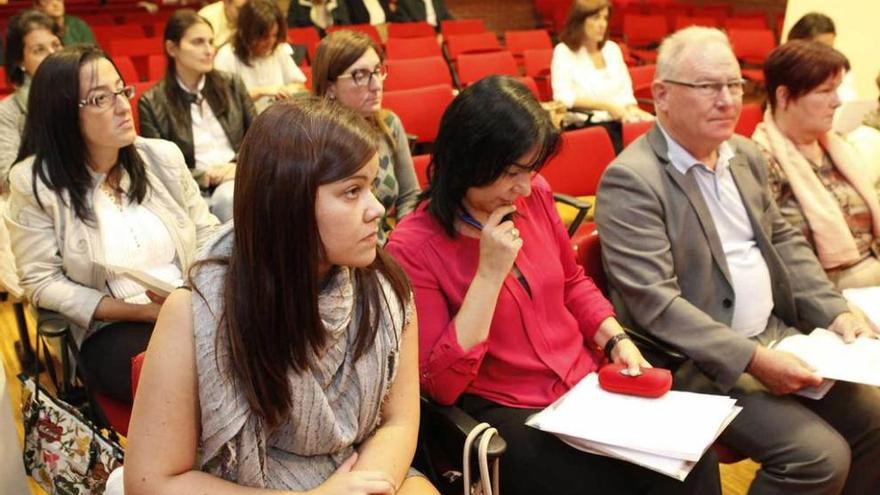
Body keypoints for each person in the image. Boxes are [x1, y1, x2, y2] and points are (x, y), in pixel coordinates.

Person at [386, 75, 721, 495]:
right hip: (510, 408)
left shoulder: (533, 195)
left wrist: (616, 340)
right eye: (511, 174)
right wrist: (487, 276)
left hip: (583, 388)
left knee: (692, 458)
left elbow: (572, 282)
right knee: (604, 483)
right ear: (466, 163)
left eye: (530, 171)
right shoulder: (413, 246)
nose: (525, 187)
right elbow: (440, 385)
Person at [595, 26, 880, 495]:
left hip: (777, 337)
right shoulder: (632, 179)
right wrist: (753, 358)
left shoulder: (743, 155)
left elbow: (786, 245)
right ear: (661, 95)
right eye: (709, 86)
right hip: (699, 363)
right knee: (818, 459)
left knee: (873, 420)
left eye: (733, 85)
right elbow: (655, 305)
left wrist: (835, 311)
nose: (727, 100)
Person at [125, 98, 439, 495]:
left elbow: (398, 421)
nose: (376, 209)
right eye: (351, 191)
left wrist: (364, 488)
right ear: (289, 203)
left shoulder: (386, 288)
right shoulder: (196, 312)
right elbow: (150, 481)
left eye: (371, 187)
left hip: (356, 469)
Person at [5, 45, 219, 403]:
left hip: (190, 301)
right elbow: (42, 281)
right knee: (187, 375)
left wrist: (194, 291)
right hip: (112, 324)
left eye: (121, 90)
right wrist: (144, 312)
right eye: (101, 98)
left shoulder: (160, 157)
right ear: (63, 114)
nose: (123, 106)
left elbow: (206, 231)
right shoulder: (34, 183)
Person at [751, 40, 880, 290]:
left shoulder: (836, 147)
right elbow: (772, 256)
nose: (837, 101)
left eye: (837, 89)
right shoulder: (762, 161)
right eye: (824, 91)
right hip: (825, 291)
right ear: (784, 96)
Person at [139, 9, 256, 223]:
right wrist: (204, 176)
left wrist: (238, 167)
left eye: (211, 42)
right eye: (198, 42)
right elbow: (158, 167)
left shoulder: (232, 85)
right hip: (191, 188)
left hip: (239, 176)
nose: (209, 50)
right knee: (224, 200)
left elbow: (259, 137)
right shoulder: (152, 102)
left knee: (231, 197)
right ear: (172, 48)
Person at [312, 30, 419, 244]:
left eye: (378, 71)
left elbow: (410, 195)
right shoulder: (313, 138)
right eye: (359, 75)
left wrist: (403, 242)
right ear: (330, 87)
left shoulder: (389, 125)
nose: (377, 85)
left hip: (391, 246)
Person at [551, 0, 652, 151]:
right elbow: (563, 97)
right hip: (587, 127)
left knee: (656, 141)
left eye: (605, 18)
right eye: (596, 18)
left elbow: (625, 93)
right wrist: (607, 106)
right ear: (579, 21)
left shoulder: (612, 49)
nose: (602, 24)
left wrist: (640, 114)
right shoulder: (564, 51)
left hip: (620, 122)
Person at [1, 9, 61, 183]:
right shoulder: (7, 112)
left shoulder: (83, 96)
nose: (53, 54)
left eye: (56, 45)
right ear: (20, 61)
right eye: (39, 50)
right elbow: (7, 177)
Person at [214, 0, 307, 113]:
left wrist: (287, 91)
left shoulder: (278, 50)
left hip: (277, 118)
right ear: (247, 32)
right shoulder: (227, 56)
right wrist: (261, 92)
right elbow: (224, 100)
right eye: (264, 37)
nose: (271, 42)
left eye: (275, 35)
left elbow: (299, 84)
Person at [787, 12, 858, 103]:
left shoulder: (841, 67)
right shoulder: (785, 69)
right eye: (820, 47)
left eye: (830, 47)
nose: (826, 53)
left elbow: (850, 101)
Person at [388, 0, 453, 27]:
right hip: (419, 37)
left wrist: (441, 34)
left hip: (438, 32)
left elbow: (446, 17)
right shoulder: (404, 2)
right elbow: (406, 24)